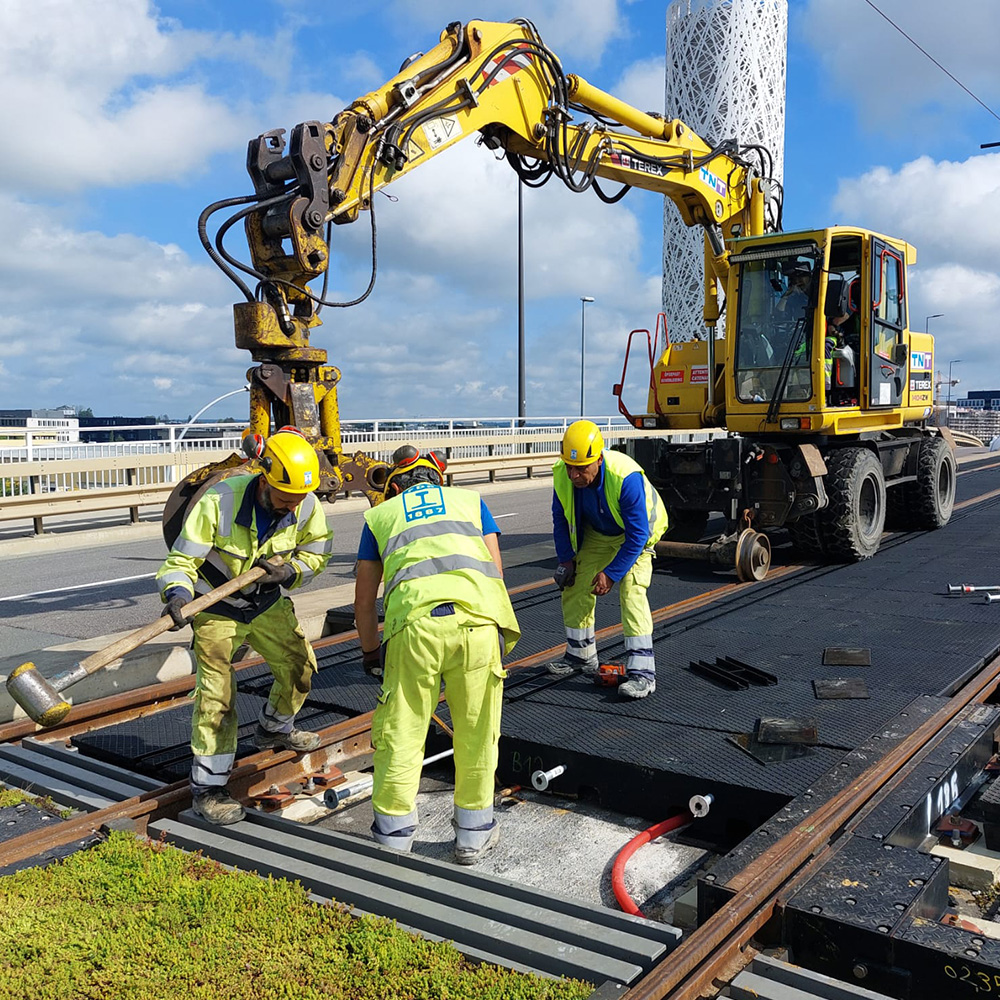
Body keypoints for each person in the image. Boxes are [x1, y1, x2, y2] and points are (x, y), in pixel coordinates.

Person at [155, 429, 334, 825]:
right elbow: (180, 562)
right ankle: (208, 789)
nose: (292, 506)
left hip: (266, 603)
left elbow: (316, 554)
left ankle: (274, 727)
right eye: (285, 497)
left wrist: (288, 572)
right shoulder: (219, 501)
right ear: (264, 478)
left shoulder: (305, 505)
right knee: (216, 697)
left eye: (300, 498)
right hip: (216, 606)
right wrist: (177, 595)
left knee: (299, 667)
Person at [354, 446, 520, 864]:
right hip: (478, 625)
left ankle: (393, 839)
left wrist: (372, 652)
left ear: (394, 486)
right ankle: (473, 835)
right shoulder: (471, 503)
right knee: (477, 731)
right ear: (438, 479)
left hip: (414, 631)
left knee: (403, 732)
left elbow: (363, 601)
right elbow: (495, 574)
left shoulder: (381, 518)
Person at [546, 420, 669, 700]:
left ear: (598, 460)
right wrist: (566, 560)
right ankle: (580, 655)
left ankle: (643, 673)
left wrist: (611, 573)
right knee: (574, 585)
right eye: (569, 467)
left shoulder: (625, 476)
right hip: (599, 534)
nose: (574, 475)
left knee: (632, 592)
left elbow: (638, 535)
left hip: (635, 535)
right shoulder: (562, 475)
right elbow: (560, 520)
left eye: (582, 468)